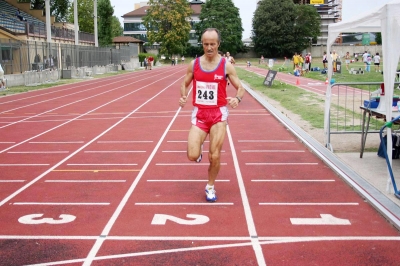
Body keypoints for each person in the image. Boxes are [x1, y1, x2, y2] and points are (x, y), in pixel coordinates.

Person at [179, 28, 245, 202]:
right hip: (200, 114)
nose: (209, 47)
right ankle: (198, 154)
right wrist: (183, 95)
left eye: (212, 44)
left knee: (214, 155)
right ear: (202, 44)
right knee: (192, 155)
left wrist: (237, 98)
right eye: (206, 44)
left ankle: (210, 186)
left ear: (218, 44)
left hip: (218, 115)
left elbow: (240, 87)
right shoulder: (194, 64)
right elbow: (184, 83)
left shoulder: (226, 65)